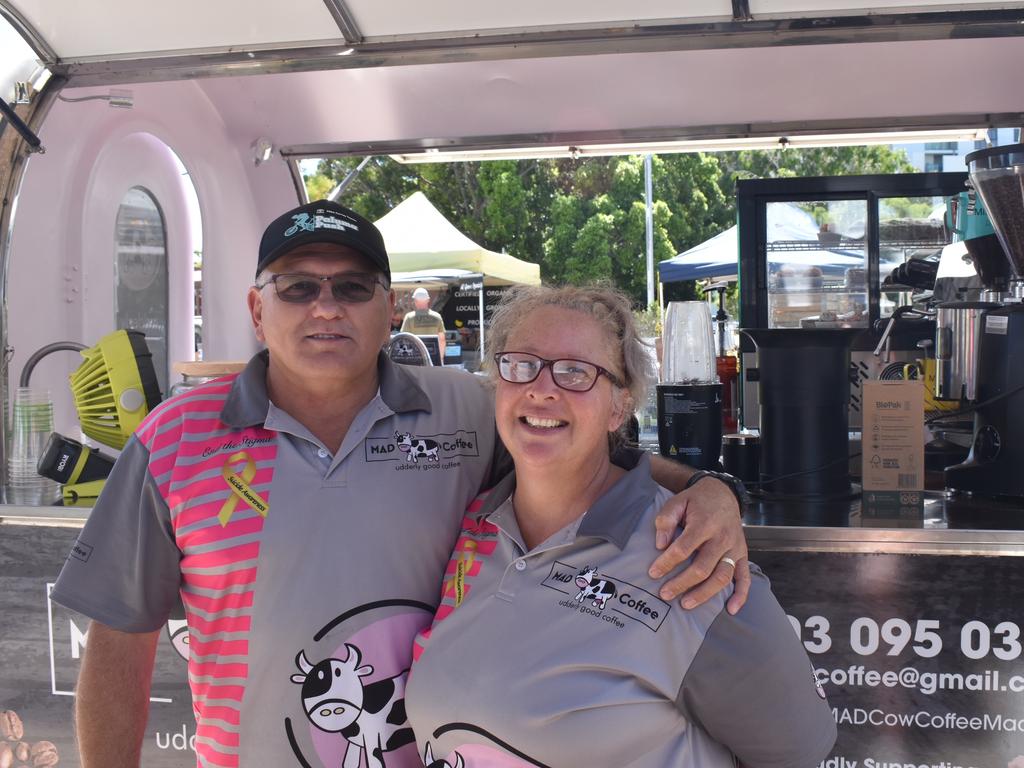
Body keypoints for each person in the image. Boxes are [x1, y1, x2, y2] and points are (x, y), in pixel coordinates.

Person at [51, 201, 749, 768]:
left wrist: (711, 488)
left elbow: (581, 448)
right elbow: (119, 638)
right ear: (258, 310)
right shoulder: (175, 438)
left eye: (352, 288)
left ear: (391, 310)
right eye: (298, 287)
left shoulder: (463, 410)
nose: (326, 307)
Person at [406, 285, 837, 768]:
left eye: (575, 372)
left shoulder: (695, 563)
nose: (542, 388)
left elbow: (797, 751)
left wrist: (714, 489)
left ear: (619, 407)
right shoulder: (474, 524)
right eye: (521, 363)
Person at [401, 286, 446, 361]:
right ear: (428, 300)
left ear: (415, 301)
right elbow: (442, 339)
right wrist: (440, 359)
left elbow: (404, 339)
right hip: (434, 357)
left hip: (415, 358)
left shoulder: (409, 317)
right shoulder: (437, 317)